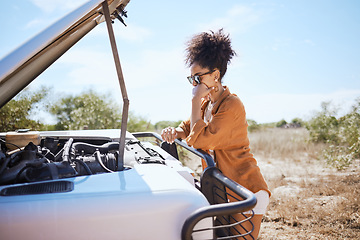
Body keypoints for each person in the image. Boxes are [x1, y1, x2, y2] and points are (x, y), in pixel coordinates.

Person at [161, 29, 270, 239]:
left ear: (216, 75)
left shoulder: (232, 105)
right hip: (223, 187)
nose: (194, 85)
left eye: (198, 78)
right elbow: (189, 128)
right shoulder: (206, 103)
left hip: (245, 188)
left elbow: (200, 138)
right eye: (191, 79)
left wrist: (193, 101)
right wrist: (175, 131)